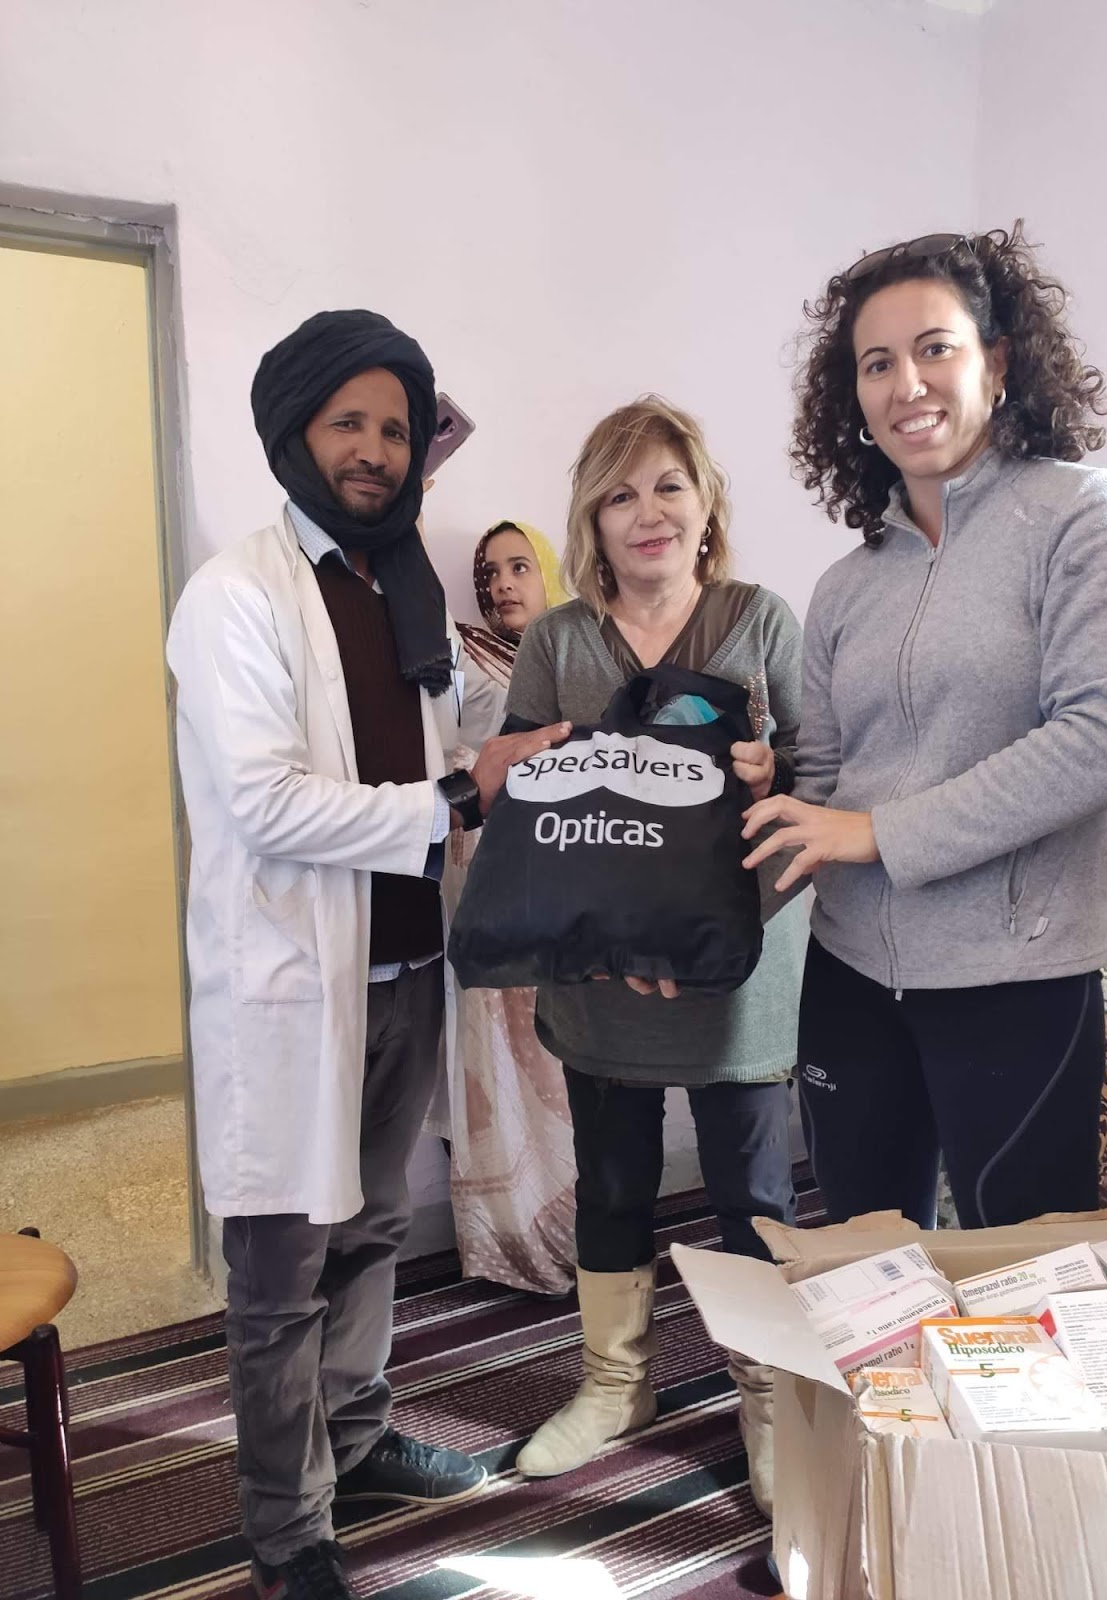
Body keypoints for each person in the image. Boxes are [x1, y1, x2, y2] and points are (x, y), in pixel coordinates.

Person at [166, 310, 568, 1600]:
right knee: (282, 1267)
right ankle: (289, 1532)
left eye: (396, 429)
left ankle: (356, 1434)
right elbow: (266, 803)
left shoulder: (407, 596)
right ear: (297, 433)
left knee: (375, 1227)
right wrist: (458, 796)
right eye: (350, 422)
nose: (378, 450)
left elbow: (461, 736)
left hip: (405, 972)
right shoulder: (235, 596)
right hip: (291, 985)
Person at [743, 225, 1107, 1233]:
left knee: (1021, 1279)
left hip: (1017, 980)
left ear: (1000, 359)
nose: (907, 384)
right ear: (852, 396)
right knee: (867, 1268)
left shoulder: (1089, 518)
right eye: (876, 363)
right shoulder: (846, 585)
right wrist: (691, 935)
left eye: (934, 347)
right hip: (851, 974)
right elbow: (823, 792)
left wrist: (880, 833)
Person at [505, 395, 806, 1518]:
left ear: (705, 502)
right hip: (601, 979)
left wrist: (774, 776)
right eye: (620, 493)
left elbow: (824, 778)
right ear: (592, 516)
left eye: (669, 486)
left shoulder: (759, 622)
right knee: (614, 1182)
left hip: (740, 976)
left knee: (754, 1197)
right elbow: (524, 802)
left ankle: (769, 1401)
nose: (648, 512)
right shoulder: (558, 641)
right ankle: (614, 1384)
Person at [438, 520, 579, 1296]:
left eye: (519, 566)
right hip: (491, 892)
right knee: (501, 1059)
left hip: (566, 894)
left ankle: (584, 1229)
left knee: (566, 1062)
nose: (500, 585)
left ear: (550, 572)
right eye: (488, 574)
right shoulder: (464, 656)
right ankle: (513, 1236)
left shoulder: (582, 652)